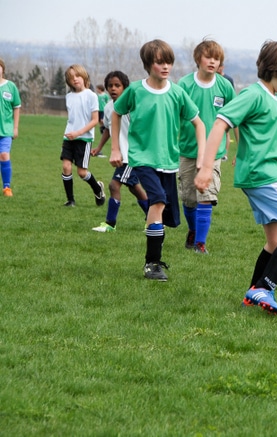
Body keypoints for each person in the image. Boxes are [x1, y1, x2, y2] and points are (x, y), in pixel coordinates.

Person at [195, 40, 277, 314]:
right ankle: (264, 288)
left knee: (276, 240)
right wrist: (207, 168)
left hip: (270, 175)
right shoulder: (253, 95)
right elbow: (221, 123)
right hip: (263, 176)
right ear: (276, 69)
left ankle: (252, 293)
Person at [111, 39, 206, 281]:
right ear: (148, 65)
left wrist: (202, 157)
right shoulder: (135, 90)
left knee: (166, 217)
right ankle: (151, 264)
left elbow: (199, 124)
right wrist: (115, 149)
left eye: (169, 62)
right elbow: (116, 113)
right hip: (142, 159)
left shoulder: (177, 93)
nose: (165, 67)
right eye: (159, 62)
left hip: (169, 162)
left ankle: (154, 247)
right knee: (158, 201)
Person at [178, 39, 236, 254]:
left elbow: (235, 117)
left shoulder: (225, 87)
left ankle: (200, 244)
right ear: (198, 59)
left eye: (217, 58)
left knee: (207, 196)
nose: (213, 61)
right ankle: (193, 230)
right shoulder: (183, 85)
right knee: (189, 199)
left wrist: (241, 148)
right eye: (208, 57)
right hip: (187, 150)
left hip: (214, 153)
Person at [90, 71, 149, 232]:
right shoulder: (109, 107)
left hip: (132, 154)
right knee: (134, 187)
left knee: (114, 185)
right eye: (110, 86)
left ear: (125, 87)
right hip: (122, 155)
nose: (113, 88)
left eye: (118, 85)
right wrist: (99, 148)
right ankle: (153, 219)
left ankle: (110, 224)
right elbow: (109, 130)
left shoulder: (132, 105)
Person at [60, 64, 105, 207]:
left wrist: (78, 132)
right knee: (66, 167)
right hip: (69, 137)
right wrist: (71, 132)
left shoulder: (91, 96)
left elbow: (95, 120)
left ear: (84, 76)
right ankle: (70, 200)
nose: (75, 79)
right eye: (71, 77)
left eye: (77, 76)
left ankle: (97, 189)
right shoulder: (68, 96)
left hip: (84, 139)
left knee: (81, 172)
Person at [0, 58, 21, 197]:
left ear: (2, 69)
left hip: (6, 129)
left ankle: (6, 187)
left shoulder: (11, 86)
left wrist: (15, 127)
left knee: (4, 155)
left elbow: (17, 107)